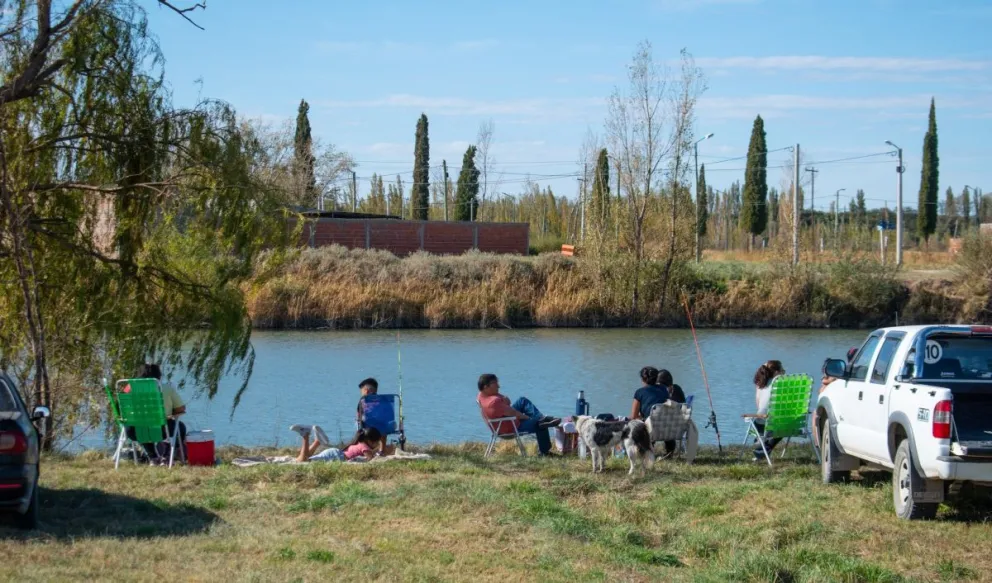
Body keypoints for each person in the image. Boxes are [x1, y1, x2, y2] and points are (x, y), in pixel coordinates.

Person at [476, 374, 560, 456]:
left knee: (522, 401)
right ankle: (545, 452)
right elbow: (514, 413)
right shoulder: (494, 402)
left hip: (500, 424)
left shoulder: (481, 395)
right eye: (495, 383)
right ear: (486, 386)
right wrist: (527, 418)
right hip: (511, 427)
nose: (498, 386)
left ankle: (541, 419)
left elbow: (508, 401)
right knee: (540, 424)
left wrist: (501, 398)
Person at [124, 363, 187, 465]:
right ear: (159, 376)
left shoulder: (130, 388)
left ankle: (153, 457)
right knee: (181, 427)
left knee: (142, 425)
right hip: (162, 429)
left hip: (134, 430)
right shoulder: (166, 388)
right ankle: (167, 456)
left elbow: (123, 407)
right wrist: (169, 413)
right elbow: (181, 408)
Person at [291, 425, 394, 462]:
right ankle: (305, 435)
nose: (376, 445)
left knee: (305, 459)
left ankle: (317, 442)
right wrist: (382, 451)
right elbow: (371, 459)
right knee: (303, 461)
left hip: (334, 454)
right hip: (335, 456)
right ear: (370, 441)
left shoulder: (360, 443)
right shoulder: (364, 447)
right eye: (377, 443)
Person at [750, 360, 786, 461]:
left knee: (766, 421)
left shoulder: (760, 385)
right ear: (776, 373)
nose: (784, 373)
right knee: (784, 424)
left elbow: (759, 405)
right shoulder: (784, 384)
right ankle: (766, 445)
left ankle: (762, 441)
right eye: (782, 371)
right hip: (785, 424)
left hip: (763, 421)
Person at [355, 377, 390, 453]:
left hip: (368, 426)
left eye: (362, 391)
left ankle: (363, 449)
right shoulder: (384, 400)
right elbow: (388, 414)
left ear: (366, 390)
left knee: (357, 422)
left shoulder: (363, 400)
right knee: (383, 424)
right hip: (383, 427)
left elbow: (359, 416)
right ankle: (382, 450)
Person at [657, 369, 685, 458]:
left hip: (659, 429)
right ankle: (670, 452)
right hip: (677, 429)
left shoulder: (659, 393)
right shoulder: (677, 389)